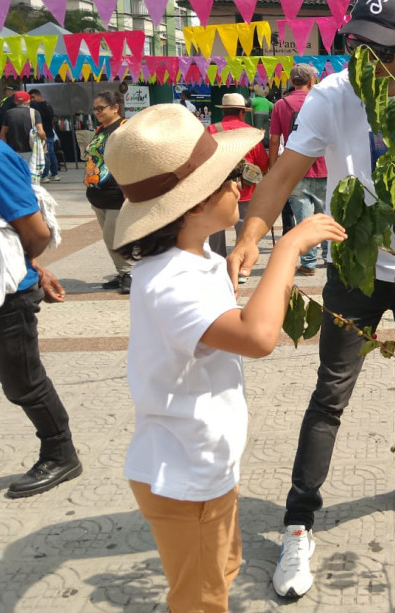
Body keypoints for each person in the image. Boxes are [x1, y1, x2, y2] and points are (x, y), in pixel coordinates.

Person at [227, 0, 395, 599]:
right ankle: (298, 523)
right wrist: (250, 238)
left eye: (382, 50)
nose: (367, 61)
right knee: (330, 396)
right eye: (357, 47)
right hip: (353, 269)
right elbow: (284, 172)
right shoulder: (332, 94)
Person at [105, 103, 345, 613]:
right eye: (227, 179)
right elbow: (258, 337)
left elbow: (221, 318)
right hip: (183, 475)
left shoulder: (194, 260)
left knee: (224, 569)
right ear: (189, 206)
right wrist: (288, 250)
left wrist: (244, 253)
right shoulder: (172, 281)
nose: (240, 185)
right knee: (198, 600)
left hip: (205, 462)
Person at [0, 119, 81, 498]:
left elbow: (35, 233)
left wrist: (26, 266)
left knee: (24, 384)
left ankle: (60, 452)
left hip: (2, 294)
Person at [271, 64, 325, 274]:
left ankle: (309, 263)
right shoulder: (321, 103)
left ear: (292, 82)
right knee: (326, 217)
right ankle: (329, 259)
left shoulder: (280, 104)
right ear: (312, 81)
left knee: (303, 219)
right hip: (324, 167)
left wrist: (273, 169)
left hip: (293, 170)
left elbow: (275, 140)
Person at [204, 93, 269, 265]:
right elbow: (262, 163)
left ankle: (217, 261)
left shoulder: (211, 130)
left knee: (216, 225)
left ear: (224, 111)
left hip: (217, 185)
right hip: (245, 188)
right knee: (243, 225)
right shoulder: (252, 133)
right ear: (242, 112)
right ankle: (241, 262)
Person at [84, 90, 131, 293]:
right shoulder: (101, 130)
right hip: (97, 193)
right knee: (108, 237)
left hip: (117, 193)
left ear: (115, 107)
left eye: (101, 108)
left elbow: (132, 159)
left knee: (115, 237)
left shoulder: (125, 129)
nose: (97, 112)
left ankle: (129, 272)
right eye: (95, 109)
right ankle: (122, 273)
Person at [0, 91, 45, 163]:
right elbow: (40, 132)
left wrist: (6, 148)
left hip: (13, 150)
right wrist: (44, 139)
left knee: (16, 172)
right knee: (30, 172)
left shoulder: (9, 113)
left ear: (15, 101)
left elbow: (2, 134)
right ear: (28, 100)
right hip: (30, 150)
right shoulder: (34, 112)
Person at [29, 89, 59, 183]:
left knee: (46, 154)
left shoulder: (37, 106)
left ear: (39, 96)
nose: (32, 100)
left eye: (33, 97)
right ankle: (54, 173)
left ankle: (45, 175)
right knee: (51, 154)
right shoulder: (47, 105)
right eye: (30, 98)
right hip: (49, 132)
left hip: (43, 133)